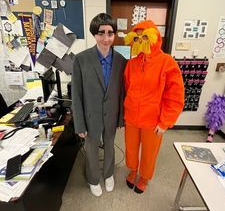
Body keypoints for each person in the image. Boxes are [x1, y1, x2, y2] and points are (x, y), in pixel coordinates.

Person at [123, 20, 184, 194]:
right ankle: (133, 170)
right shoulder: (132, 63)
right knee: (131, 148)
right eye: (138, 37)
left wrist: (165, 121)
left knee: (150, 152)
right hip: (132, 117)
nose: (141, 40)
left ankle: (144, 176)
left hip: (153, 119)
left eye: (145, 36)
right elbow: (127, 87)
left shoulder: (167, 62)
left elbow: (175, 95)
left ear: (154, 37)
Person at [72, 13, 126, 197]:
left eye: (110, 33)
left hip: (111, 113)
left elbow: (121, 92)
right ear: (94, 34)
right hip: (90, 115)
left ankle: (108, 174)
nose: (105, 38)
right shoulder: (80, 59)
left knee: (110, 144)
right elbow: (76, 94)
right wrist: (79, 123)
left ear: (114, 34)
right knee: (92, 147)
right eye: (101, 33)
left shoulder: (121, 61)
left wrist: (121, 117)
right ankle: (93, 178)